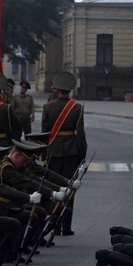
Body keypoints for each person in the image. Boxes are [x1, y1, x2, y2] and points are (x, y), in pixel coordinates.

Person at [40, 71, 87, 235]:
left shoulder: (48, 107)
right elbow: (80, 135)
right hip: (72, 152)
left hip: (53, 151)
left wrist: (43, 154)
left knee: (53, 189)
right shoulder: (77, 108)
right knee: (69, 188)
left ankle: (53, 225)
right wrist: (82, 156)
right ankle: (65, 226)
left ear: (57, 89)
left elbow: (44, 134)